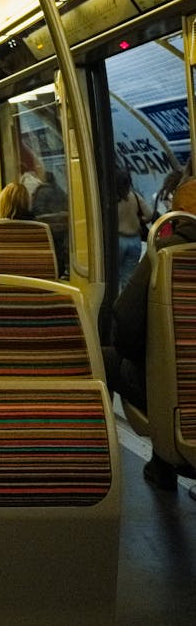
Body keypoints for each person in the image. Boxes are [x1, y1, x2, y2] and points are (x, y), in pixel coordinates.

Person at [104, 176, 196, 489]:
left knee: (105, 360)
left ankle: (160, 464)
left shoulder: (168, 253)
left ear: (179, 210)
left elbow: (126, 323)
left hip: (181, 395)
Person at [116, 167, 151, 291]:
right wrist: (139, 220)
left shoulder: (112, 198)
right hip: (135, 240)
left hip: (118, 240)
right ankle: (125, 303)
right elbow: (149, 214)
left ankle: (115, 303)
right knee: (129, 276)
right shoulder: (135, 196)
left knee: (115, 275)